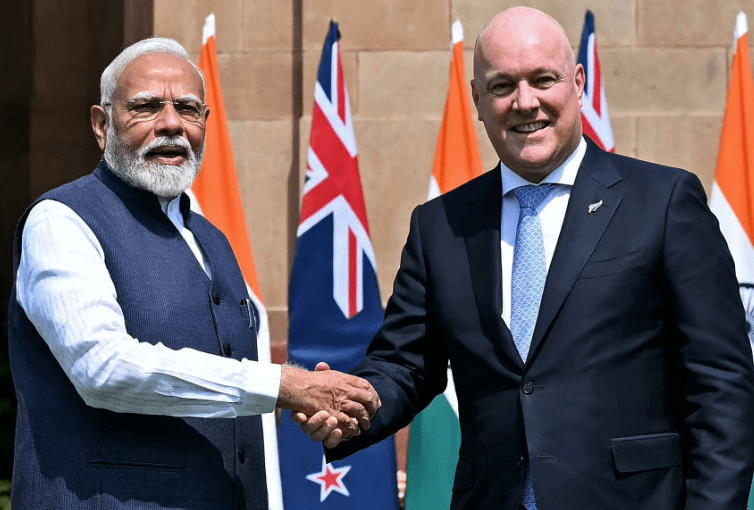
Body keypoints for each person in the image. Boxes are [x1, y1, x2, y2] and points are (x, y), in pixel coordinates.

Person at [296, 6, 754, 509]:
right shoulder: (440, 225)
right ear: (477, 99)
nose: (525, 102)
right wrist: (351, 406)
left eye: (543, 79)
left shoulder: (664, 202)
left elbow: (721, 387)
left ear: (577, 83)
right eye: (501, 86)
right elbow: (406, 364)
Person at [7, 37, 379, 509]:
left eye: (187, 108)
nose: (170, 125)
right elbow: (101, 368)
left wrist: (309, 403)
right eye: (145, 107)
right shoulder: (61, 220)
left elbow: (241, 400)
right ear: (101, 125)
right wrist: (284, 386)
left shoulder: (213, 239)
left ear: (206, 122)